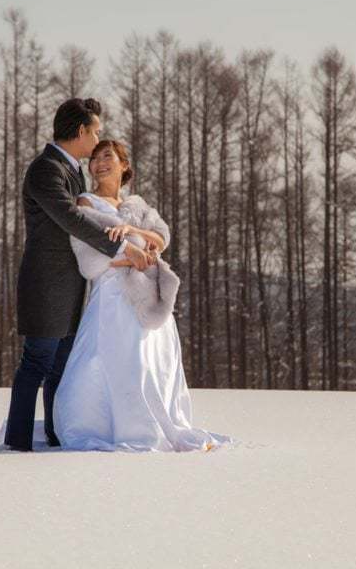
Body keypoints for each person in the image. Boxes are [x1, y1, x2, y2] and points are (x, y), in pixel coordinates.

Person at [52, 140, 231, 452]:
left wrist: (140, 238)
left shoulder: (139, 205)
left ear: (124, 165)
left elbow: (161, 237)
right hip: (112, 296)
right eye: (94, 158)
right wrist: (131, 255)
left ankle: (160, 422)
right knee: (118, 361)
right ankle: (119, 426)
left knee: (154, 363)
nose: (98, 163)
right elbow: (88, 256)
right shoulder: (86, 203)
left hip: (148, 297)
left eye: (107, 156)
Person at [3, 99, 154, 452]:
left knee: (61, 367)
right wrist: (122, 249)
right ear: (82, 130)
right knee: (37, 362)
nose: (98, 138)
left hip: (70, 286)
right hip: (46, 284)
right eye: (96, 131)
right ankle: (18, 442)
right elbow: (71, 219)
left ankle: (58, 437)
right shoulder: (46, 170)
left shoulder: (69, 170)